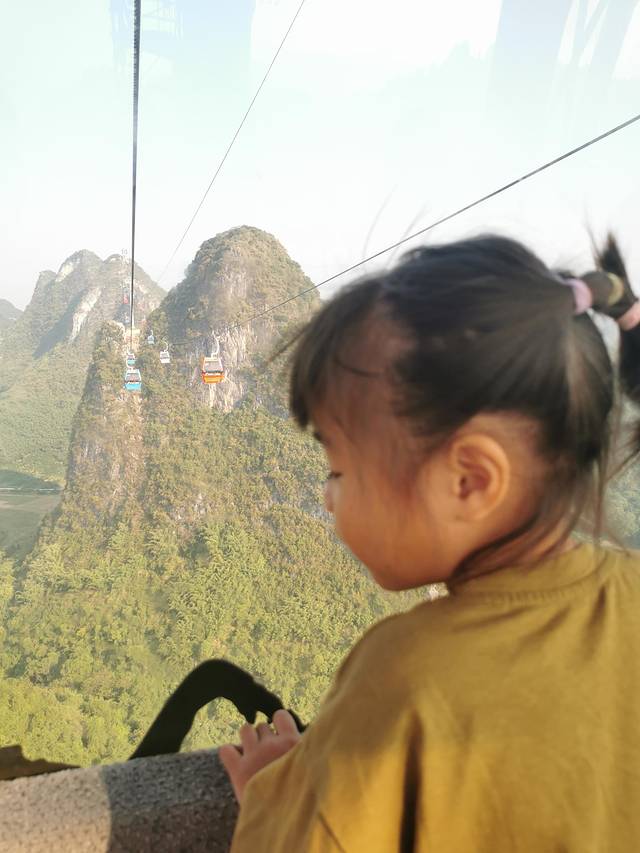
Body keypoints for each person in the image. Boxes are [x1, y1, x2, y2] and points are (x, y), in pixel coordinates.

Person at [219, 233, 640, 851]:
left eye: (339, 469)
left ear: (469, 481)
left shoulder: (400, 677)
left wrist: (274, 792)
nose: (328, 497)